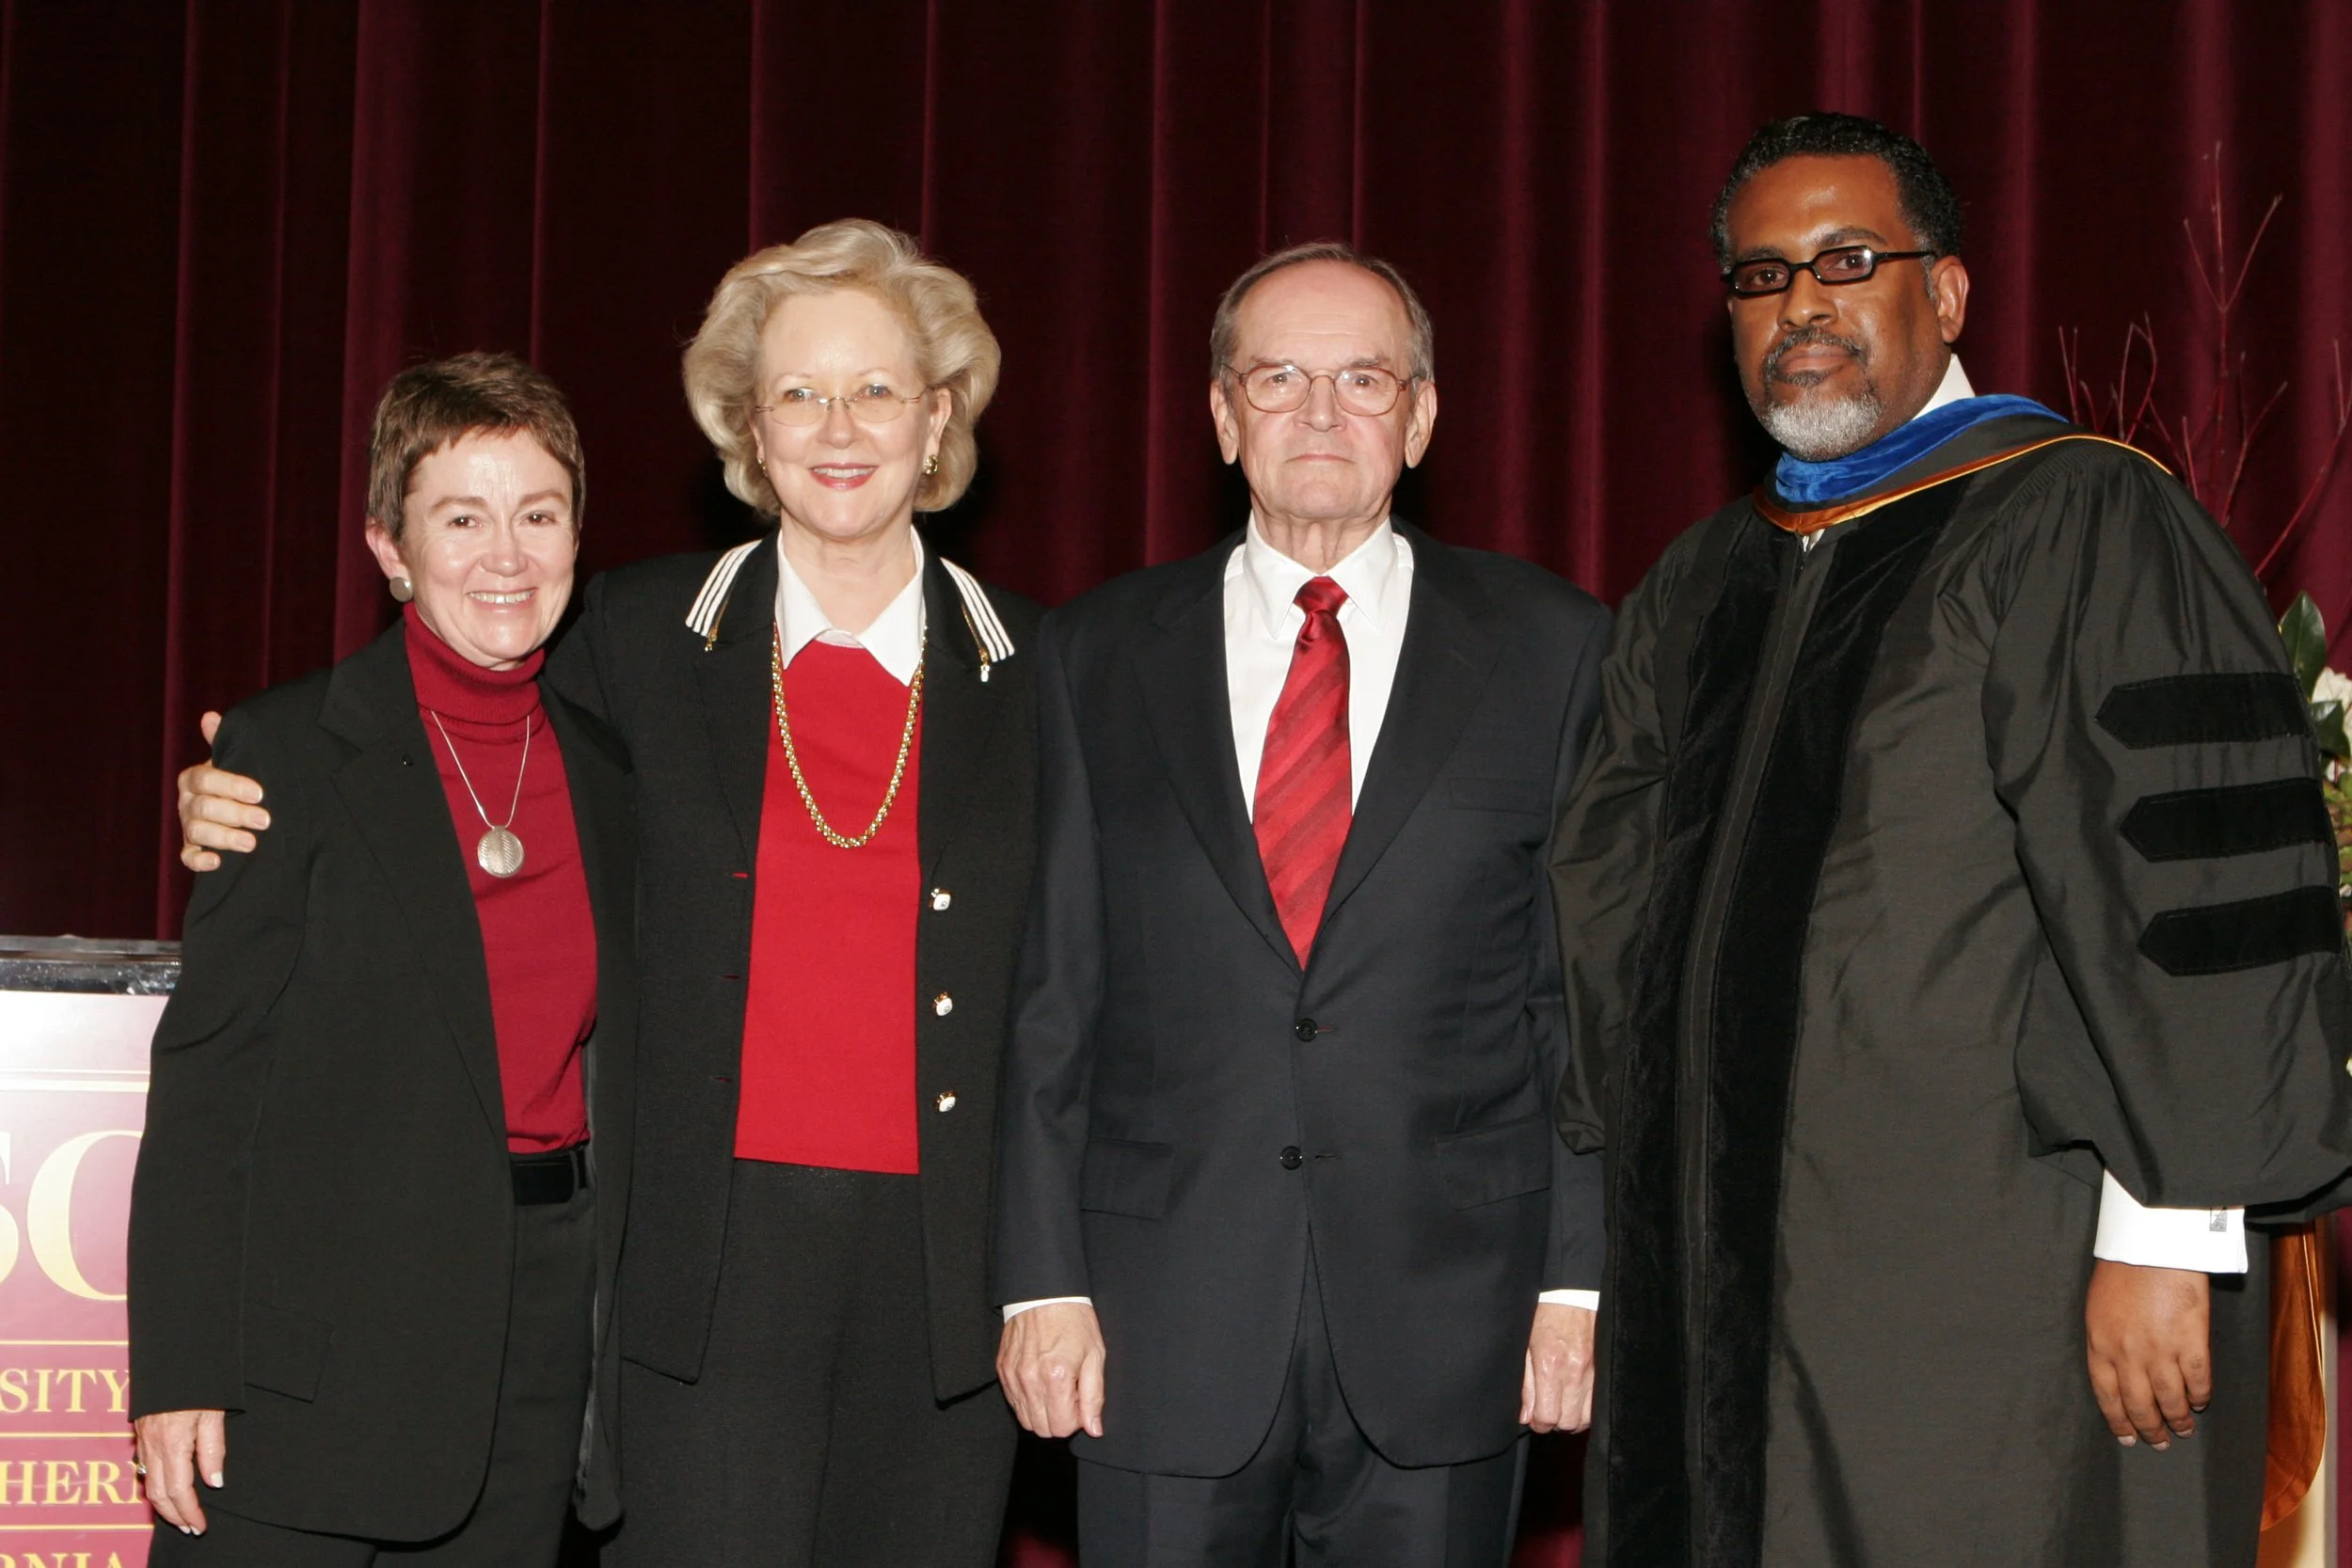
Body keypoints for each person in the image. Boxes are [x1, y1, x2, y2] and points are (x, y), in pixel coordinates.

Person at [1549, 113, 2352, 1567]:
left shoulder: (2081, 517)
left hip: (2004, 1262)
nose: (1801, 308)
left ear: (1950, 294)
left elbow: (2182, 903)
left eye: (1850, 261)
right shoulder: (1703, 580)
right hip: (1718, 1282)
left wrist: (2166, 1231)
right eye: (1760, 275)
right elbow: (1609, 911)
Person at [178, 220, 1037, 1568]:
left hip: (946, 1289)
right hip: (699, 1284)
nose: (839, 424)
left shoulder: (1042, 670)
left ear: (939, 418)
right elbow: (428, 724)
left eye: (876, 387)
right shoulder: (627, 640)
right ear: (747, 428)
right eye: (798, 391)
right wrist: (233, 787)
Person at [993, 242, 1611, 1567]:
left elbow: (1578, 999)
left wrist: (1578, 1277)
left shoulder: (1554, 647)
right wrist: (1043, 1277)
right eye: (1277, 378)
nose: (1321, 414)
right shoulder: (1094, 652)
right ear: (1222, 417)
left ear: (1423, 414)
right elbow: (1056, 990)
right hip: (1159, 1315)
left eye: (1362, 378)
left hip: (1456, 1315)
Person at [130, 354, 637, 1565]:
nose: (505, 556)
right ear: (390, 548)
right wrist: (180, 1368)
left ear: (576, 535)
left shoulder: (615, 772)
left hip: (531, 1358)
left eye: (538, 513)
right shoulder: (287, 755)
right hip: (301, 1376)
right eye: (460, 518)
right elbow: (208, 1087)